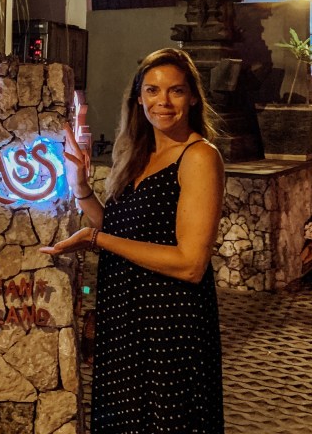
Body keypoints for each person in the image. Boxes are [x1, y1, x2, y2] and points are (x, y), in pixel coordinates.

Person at [40, 48, 226, 433]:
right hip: (125, 317)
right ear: (138, 98)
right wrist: (80, 186)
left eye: (175, 90)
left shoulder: (199, 157)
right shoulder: (140, 154)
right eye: (152, 90)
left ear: (193, 97)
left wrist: (96, 240)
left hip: (169, 325)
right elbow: (121, 230)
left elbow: (191, 264)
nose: (163, 101)